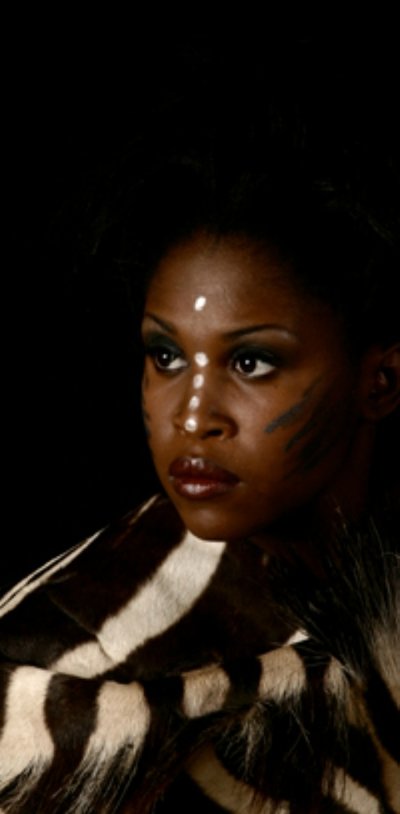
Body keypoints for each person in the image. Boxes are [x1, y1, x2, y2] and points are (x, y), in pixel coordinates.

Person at [0, 83, 399, 813]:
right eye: (166, 356)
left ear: (380, 381)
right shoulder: (67, 668)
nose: (191, 417)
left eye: (251, 362)